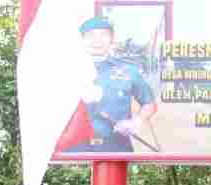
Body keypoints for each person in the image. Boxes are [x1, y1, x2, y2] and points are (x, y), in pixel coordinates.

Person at [67, 16, 158, 153]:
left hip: (115, 145)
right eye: (91, 35)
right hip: (74, 146)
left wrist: (135, 122)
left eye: (103, 35)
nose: (97, 40)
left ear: (111, 39)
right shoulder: (66, 71)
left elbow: (149, 104)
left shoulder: (128, 70)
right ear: (82, 40)